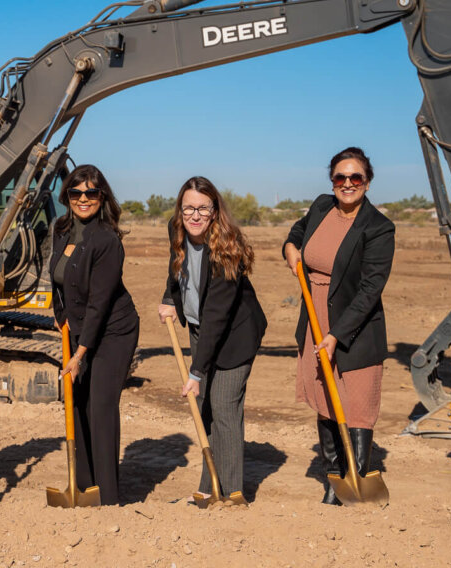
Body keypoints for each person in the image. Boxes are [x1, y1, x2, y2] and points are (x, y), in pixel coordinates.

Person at [283, 147, 395, 505]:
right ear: (332, 181)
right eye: (340, 178)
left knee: (357, 404)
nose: (347, 184)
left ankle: (355, 478)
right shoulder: (321, 206)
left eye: (355, 177)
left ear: (368, 180)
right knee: (326, 401)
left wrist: (336, 335)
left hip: (355, 326)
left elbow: (370, 289)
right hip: (315, 317)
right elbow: (300, 228)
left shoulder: (378, 227)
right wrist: (290, 244)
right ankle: (334, 481)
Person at [158, 177, 268, 499]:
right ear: (180, 209)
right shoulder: (175, 229)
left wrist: (196, 371)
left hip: (234, 335)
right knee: (204, 407)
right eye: (188, 207)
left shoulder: (226, 247)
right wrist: (170, 297)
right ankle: (209, 488)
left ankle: (232, 491)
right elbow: (175, 266)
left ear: (214, 210)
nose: (195, 216)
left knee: (223, 406)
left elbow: (218, 317)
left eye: (203, 209)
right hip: (199, 328)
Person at [49, 164, 140, 506]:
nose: (83, 199)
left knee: (100, 407)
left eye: (91, 193)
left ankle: (108, 496)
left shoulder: (106, 241)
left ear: (102, 197)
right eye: (76, 193)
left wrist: (79, 352)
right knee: (79, 404)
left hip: (113, 330)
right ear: (67, 197)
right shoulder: (62, 229)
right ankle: (84, 486)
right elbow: (57, 279)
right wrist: (61, 318)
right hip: (79, 328)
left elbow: (100, 304)